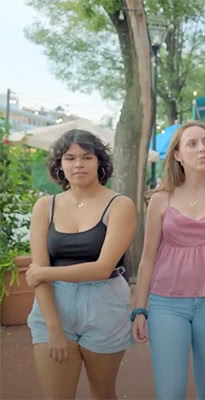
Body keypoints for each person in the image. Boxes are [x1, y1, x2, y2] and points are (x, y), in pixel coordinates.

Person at [132, 121, 205, 399]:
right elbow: (148, 258)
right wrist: (138, 309)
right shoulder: (160, 199)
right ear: (178, 155)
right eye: (193, 144)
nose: (202, 149)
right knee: (170, 392)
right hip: (167, 304)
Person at [25, 129, 136, 399]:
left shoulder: (120, 205)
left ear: (99, 162)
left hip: (104, 302)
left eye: (87, 157)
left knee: (102, 393)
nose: (78, 165)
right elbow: (38, 276)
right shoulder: (44, 207)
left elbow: (102, 267)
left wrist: (42, 272)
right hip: (52, 304)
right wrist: (53, 327)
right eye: (70, 158)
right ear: (60, 165)